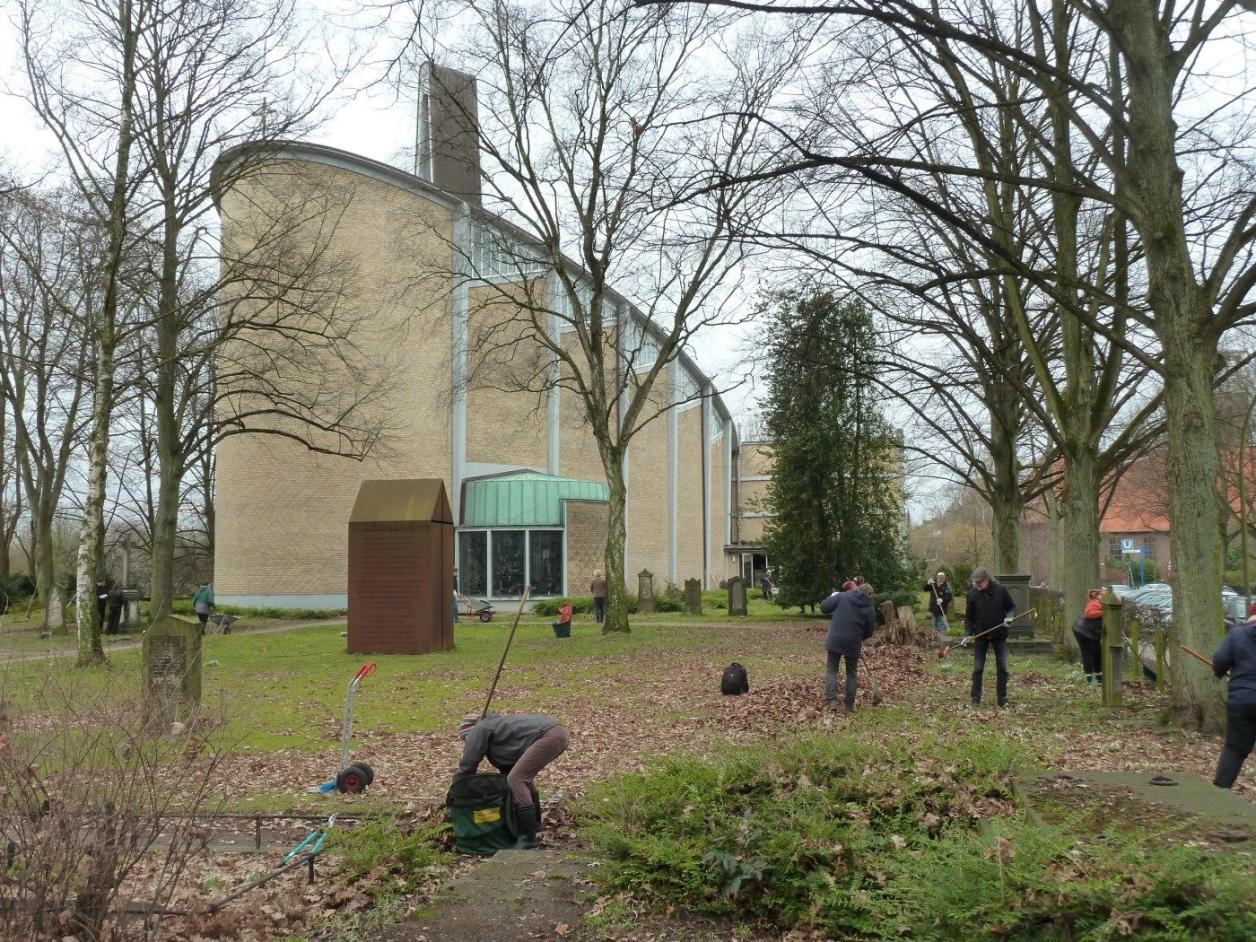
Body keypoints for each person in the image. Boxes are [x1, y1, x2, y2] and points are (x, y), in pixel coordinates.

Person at [455, 712, 570, 848]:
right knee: (521, 779)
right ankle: (535, 827)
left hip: (549, 736)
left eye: (467, 740)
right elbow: (508, 768)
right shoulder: (498, 728)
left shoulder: (480, 729)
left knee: (516, 780)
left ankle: (528, 839)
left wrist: (455, 790)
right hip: (557, 733)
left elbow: (468, 765)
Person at [1212, 615, 1256, 789]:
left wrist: (1219, 671)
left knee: (1235, 749)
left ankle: (1220, 793)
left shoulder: (1237, 634)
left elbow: (1220, 659)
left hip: (1242, 700)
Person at [819, 582, 876, 714]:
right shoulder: (869, 607)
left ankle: (832, 701)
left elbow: (824, 607)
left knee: (832, 669)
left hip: (835, 639)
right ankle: (849, 706)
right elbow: (870, 631)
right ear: (869, 594)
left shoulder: (842, 596)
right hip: (853, 642)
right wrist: (859, 637)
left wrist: (832, 596)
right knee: (851, 673)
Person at [965, 567, 1016, 709]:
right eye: (975, 583)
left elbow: (1011, 607)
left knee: (1003, 667)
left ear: (987, 579)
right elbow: (969, 618)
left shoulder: (1001, 591)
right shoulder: (972, 594)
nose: (977, 585)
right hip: (980, 635)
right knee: (978, 668)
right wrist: (968, 633)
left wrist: (1009, 617)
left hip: (999, 634)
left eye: (979, 582)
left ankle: (1002, 698)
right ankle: (975, 697)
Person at [1073, 590, 1105, 687]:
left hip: (1092, 633)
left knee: (1098, 654)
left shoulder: (1103, 604)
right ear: (1099, 596)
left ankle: (1100, 679)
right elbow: (1088, 613)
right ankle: (1090, 680)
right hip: (1083, 632)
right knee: (1088, 654)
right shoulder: (1095, 602)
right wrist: (1104, 612)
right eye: (1103, 596)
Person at [924, 571, 954, 640]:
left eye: (942, 577)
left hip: (942, 608)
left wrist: (942, 599)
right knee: (934, 622)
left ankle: (947, 635)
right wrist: (927, 583)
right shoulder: (932, 584)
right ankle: (936, 636)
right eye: (939, 577)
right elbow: (925, 589)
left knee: (943, 622)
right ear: (937, 578)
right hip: (933, 607)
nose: (940, 579)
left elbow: (949, 596)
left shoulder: (947, 586)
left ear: (944, 578)